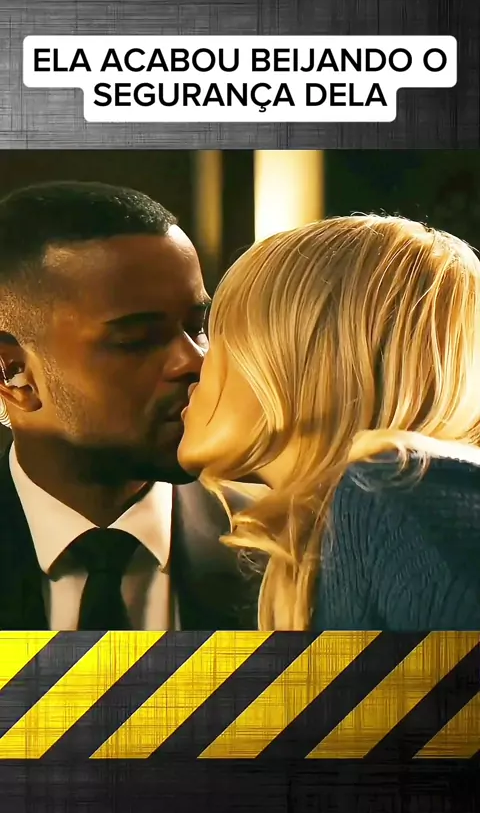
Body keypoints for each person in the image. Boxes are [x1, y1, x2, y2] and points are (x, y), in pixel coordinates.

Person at [178, 215, 480, 630]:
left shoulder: (394, 494)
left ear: (302, 359)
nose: (195, 365)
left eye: (218, 337)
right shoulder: (322, 541)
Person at [0, 180, 259, 630]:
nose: (194, 362)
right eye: (136, 339)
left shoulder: (285, 546)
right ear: (13, 375)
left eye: (197, 327)